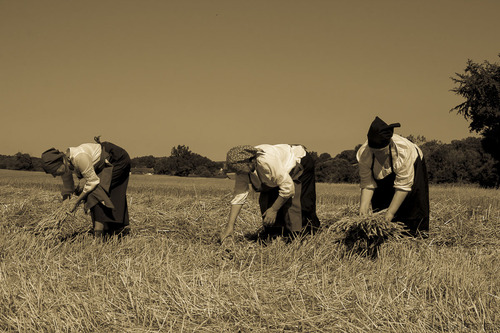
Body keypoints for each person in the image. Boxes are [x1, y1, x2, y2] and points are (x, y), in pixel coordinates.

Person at [220, 144, 320, 242]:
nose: (241, 173)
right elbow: (239, 196)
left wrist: (274, 209)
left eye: (242, 170)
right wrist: (230, 227)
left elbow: (288, 188)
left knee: (297, 202)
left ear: (251, 161)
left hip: (299, 162)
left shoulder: (267, 162)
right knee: (267, 200)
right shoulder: (243, 169)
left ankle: (304, 233)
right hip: (277, 173)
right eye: (239, 171)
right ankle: (276, 234)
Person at [41, 136, 131, 238]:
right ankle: (109, 229)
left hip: (117, 160)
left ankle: (98, 235)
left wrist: (76, 202)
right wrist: (64, 206)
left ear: (60, 162)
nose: (54, 176)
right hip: (103, 163)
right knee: (92, 192)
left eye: (54, 172)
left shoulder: (80, 157)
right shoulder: (65, 165)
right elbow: (68, 188)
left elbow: (93, 182)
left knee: (95, 193)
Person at [356, 116, 429, 236]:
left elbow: (403, 187)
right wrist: (363, 208)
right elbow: (367, 183)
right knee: (379, 206)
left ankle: (414, 237)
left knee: (413, 207)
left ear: (389, 145)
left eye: (381, 152)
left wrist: (390, 214)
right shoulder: (364, 154)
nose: (378, 156)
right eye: (374, 152)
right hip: (383, 176)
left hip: (414, 167)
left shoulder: (404, 152)